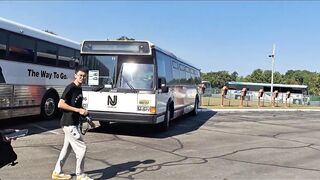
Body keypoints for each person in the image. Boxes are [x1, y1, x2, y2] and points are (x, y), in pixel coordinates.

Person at [52, 66, 95, 180]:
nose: (82, 78)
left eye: (84, 76)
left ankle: (57, 172)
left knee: (67, 149)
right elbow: (60, 104)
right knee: (82, 148)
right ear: (75, 75)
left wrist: (88, 120)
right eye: (80, 75)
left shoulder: (79, 89)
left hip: (73, 122)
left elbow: (78, 107)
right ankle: (80, 175)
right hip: (69, 123)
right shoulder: (70, 88)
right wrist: (78, 110)